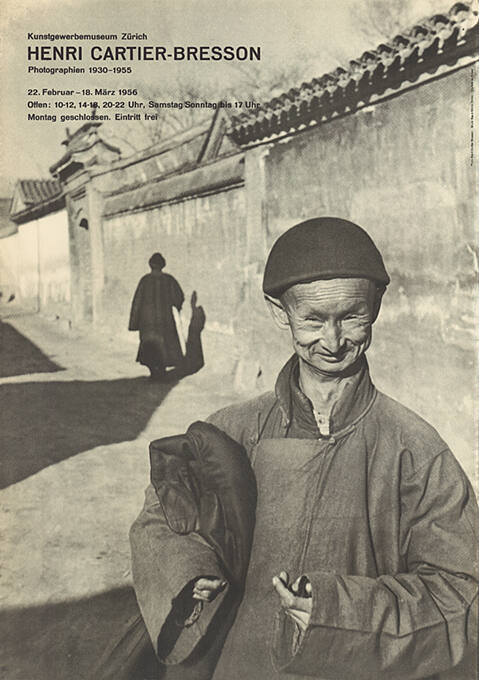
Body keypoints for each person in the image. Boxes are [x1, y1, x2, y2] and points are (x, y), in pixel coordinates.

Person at [130, 218, 478, 679]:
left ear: (376, 304)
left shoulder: (413, 449)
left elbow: (461, 590)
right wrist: (191, 568)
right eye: (313, 319)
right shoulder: (231, 430)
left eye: (352, 316)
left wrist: (338, 612)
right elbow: (164, 519)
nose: (333, 342)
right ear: (280, 312)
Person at [128, 253, 184, 380]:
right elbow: (179, 296)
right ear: (163, 265)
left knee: (150, 345)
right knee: (165, 345)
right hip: (164, 320)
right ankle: (162, 372)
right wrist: (177, 306)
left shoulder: (144, 281)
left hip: (147, 322)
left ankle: (154, 372)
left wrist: (134, 322)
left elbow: (137, 302)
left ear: (150, 265)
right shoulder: (169, 280)